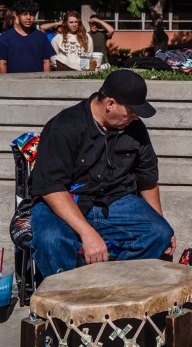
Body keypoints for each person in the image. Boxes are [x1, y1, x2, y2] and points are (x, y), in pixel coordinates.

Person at [28, 69, 174, 276]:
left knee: (159, 233)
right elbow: (51, 187)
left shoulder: (135, 128)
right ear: (110, 104)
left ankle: (114, 290)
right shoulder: (64, 126)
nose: (135, 117)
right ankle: (68, 299)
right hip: (66, 200)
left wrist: (160, 221)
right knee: (51, 239)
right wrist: (87, 233)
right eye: (131, 111)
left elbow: (147, 179)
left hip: (114, 200)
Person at [0, 0, 55, 74]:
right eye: (25, 14)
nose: (28, 17)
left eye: (32, 14)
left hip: (38, 82)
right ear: (16, 15)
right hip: (13, 82)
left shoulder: (41, 37)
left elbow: (46, 62)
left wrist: (47, 81)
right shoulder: (5, 38)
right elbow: (2, 63)